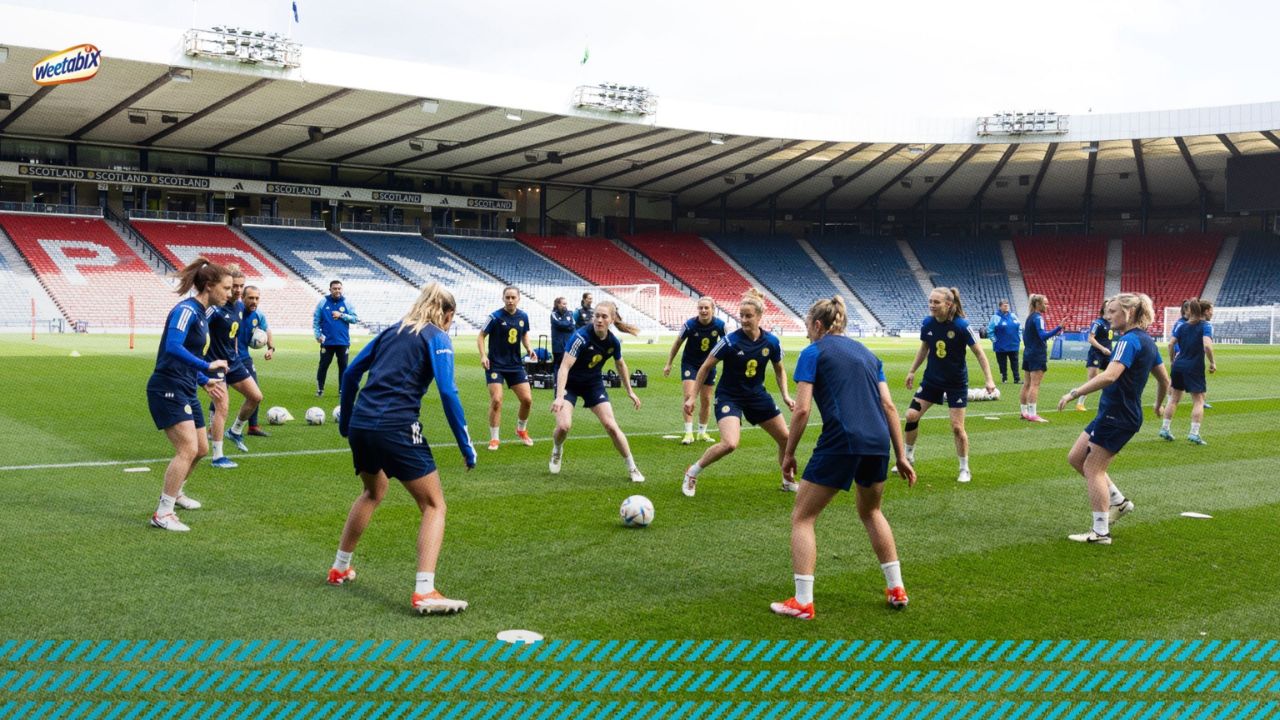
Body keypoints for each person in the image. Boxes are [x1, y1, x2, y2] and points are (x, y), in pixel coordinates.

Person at [330, 282, 477, 614]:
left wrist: (346, 422)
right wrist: (467, 447)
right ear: (447, 313)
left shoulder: (391, 331)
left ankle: (340, 567)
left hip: (362, 425)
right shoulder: (437, 337)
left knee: (373, 491)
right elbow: (448, 391)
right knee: (434, 506)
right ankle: (425, 590)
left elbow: (352, 373)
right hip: (395, 427)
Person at [771, 296, 916, 620]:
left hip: (841, 440)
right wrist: (901, 456)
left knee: (803, 517)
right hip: (877, 441)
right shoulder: (868, 354)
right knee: (871, 511)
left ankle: (803, 601)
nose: (808, 334)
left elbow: (803, 408)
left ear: (818, 325)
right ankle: (896, 588)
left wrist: (789, 453)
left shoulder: (813, 352)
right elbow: (890, 407)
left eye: (809, 328)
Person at [1057, 293, 1170, 545]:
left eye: (1113, 312)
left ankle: (1100, 532)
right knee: (1076, 458)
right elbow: (1165, 380)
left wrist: (1074, 393)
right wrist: (1158, 403)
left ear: (1128, 313)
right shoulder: (1147, 342)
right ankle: (1119, 502)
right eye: (1107, 312)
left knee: (1093, 468)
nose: (1107, 317)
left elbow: (1110, 376)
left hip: (1116, 415)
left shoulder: (1128, 341)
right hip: (1115, 412)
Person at [682, 289, 795, 496]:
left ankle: (787, 480)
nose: (743, 320)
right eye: (741, 316)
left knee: (785, 438)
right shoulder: (729, 342)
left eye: (748, 316)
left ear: (760, 317)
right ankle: (692, 472)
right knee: (730, 444)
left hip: (756, 396)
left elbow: (779, 370)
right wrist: (691, 397)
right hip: (729, 397)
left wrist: (786, 395)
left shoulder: (771, 342)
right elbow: (705, 367)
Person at [146, 258, 231, 532]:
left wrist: (204, 380)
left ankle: (176, 493)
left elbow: (189, 357)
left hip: (186, 386)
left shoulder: (203, 315)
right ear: (209, 286)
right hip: (167, 387)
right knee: (187, 449)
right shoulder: (186, 310)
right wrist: (206, 366)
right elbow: (172, 347)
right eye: (226, 288)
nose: (230, 294)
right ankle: (163, 513)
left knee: (202, 449)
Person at [901, 287, 996, 483]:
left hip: (956, 384)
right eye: (930, 301)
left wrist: (989, 379)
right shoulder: (927, 323)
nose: (932, 305)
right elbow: (924, 348)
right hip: (931, 381)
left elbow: (979, 353)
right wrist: (912, 371)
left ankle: (964, 468)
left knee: (957, 428)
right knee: (911, 415)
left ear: (948, 304)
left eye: (936, 302)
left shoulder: (961, 326)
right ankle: (908, 457)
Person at [549, 301, 645, 483]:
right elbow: (564, 367)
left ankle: (632, 468)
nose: (599, 320)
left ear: (612, 319)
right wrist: (560, 397)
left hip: (592, 384)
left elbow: (621, 365)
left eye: (604, 316)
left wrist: (630, 391)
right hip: (569, 383)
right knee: (563, 426)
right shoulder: (580, 337)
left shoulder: (613, 342)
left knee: (611, 426)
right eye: (597, 316)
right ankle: (557, 449)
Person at [203, 266, 261, 467]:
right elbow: (197, 326)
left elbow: (233, 335)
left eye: (241, 286)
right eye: (234, 286)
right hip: (215, 364)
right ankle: (217, 456)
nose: (237, 290)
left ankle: (235, 431)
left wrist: (235, 353)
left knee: (255, 397)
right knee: (222, 407)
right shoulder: (215, 307)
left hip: (233, 362)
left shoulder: (239, 307)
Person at [478, 286, 535, 450]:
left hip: (515, 365)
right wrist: (483, 355)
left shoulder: (523, 316)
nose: (510, 300)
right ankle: (494, 438)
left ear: (518, 299)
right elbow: (481, 336)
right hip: (495, 365)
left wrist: (529, 348)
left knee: (527, 400)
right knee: (496, 400)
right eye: (507, 297)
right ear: (503, 298)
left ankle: (521, 430)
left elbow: (524, 334)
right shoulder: (494, 317)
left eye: (513, 297)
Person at [663, 297, 725, 445]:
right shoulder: (690, 325)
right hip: (690, 364)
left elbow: (727, 345)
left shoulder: (720, 325)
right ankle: (688, 433)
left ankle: (702, 432)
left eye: (706, 308)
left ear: (712, 309)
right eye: (701, 308)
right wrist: (669, 363)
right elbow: (677, 343)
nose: (703, 310)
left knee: (706, 400)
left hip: (709, 365)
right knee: (689, 397)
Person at [1159, 298, 1216, 444]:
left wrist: (1172, 360)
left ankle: (1165, 429)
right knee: (1198, 400)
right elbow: (1207, 346)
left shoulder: (1182, 326)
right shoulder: (1205, 326)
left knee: (1173, 399)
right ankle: (1194, 433)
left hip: (1178, 365)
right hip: (1193, 367)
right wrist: (1212, 362)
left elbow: (1171, 344)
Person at [236, 285, 275, 437]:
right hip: (227, 358)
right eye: (251, 298)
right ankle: (212, 428)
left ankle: (253, 427)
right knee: (221, 393)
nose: (254, 301)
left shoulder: (258, 315)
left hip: (245, 358)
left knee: (255, 393)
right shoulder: (234, 311)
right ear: (242, 298)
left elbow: (267, 330)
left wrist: (271, 348)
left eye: (257, 298)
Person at [1020, 293, 1063, 422]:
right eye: (1045, 303)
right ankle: (1032, 414)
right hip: (1037, 355)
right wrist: (1058, 328)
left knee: (1026, 384)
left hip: (1028, 354)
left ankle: (1024, 412)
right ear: (1038, 304)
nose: (1047, 306)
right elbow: (1043, 336)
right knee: (1035, 384)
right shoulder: (1038, 318)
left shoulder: (1029, 318)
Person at [314, 280, 358, 397]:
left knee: (343, 367)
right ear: (330, 290)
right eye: (335, 288)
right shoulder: (323, 302)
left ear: (341, 289)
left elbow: (355, 319)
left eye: (339, 288)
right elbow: (316, 320)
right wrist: (317, 335)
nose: (337, 291)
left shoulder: (347, 303)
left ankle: (342, 390)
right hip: (327, 342)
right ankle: (320, 389)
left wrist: (341, 315)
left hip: (343, 342)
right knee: (323, 365)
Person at [1077, 300, 1113, 412]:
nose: (1110, 309)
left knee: (1111, 378)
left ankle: (1110, 403)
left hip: (1108, 354)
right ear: (1103, 308)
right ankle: (1080, 402)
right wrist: (1102, 349)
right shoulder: (1098, 323)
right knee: (1093, 379)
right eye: (1108, 306)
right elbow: (1090, 338)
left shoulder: (1111, 323)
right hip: (1096, 353)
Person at [986, 299, 1021, 384]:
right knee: (1002, 363)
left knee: (1015, 362)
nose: (1006, 307)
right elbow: (990, 330)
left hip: (1013, 344)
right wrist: (995, 340)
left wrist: (1019, 337)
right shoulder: (995, 317)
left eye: (1007, 305)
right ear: (1000, 306)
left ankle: (1017, 379)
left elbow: (1019, 327)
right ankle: (1004, 378)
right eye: (1004, 305)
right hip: (1001, 346)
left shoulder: (1013, 316)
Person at [550, 296, 576, 386]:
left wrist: (566, 325)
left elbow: (573, 325)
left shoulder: (570, 313)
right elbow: (558, 324)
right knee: (558, 365)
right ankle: (557, 383)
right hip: (558, 345)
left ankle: (568, 383)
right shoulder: (554, 314)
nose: (565, 305)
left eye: (566, 304)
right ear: (558, 304)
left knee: (569, 364)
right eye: (563, 304)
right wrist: (567, 325)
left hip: (568, 344)